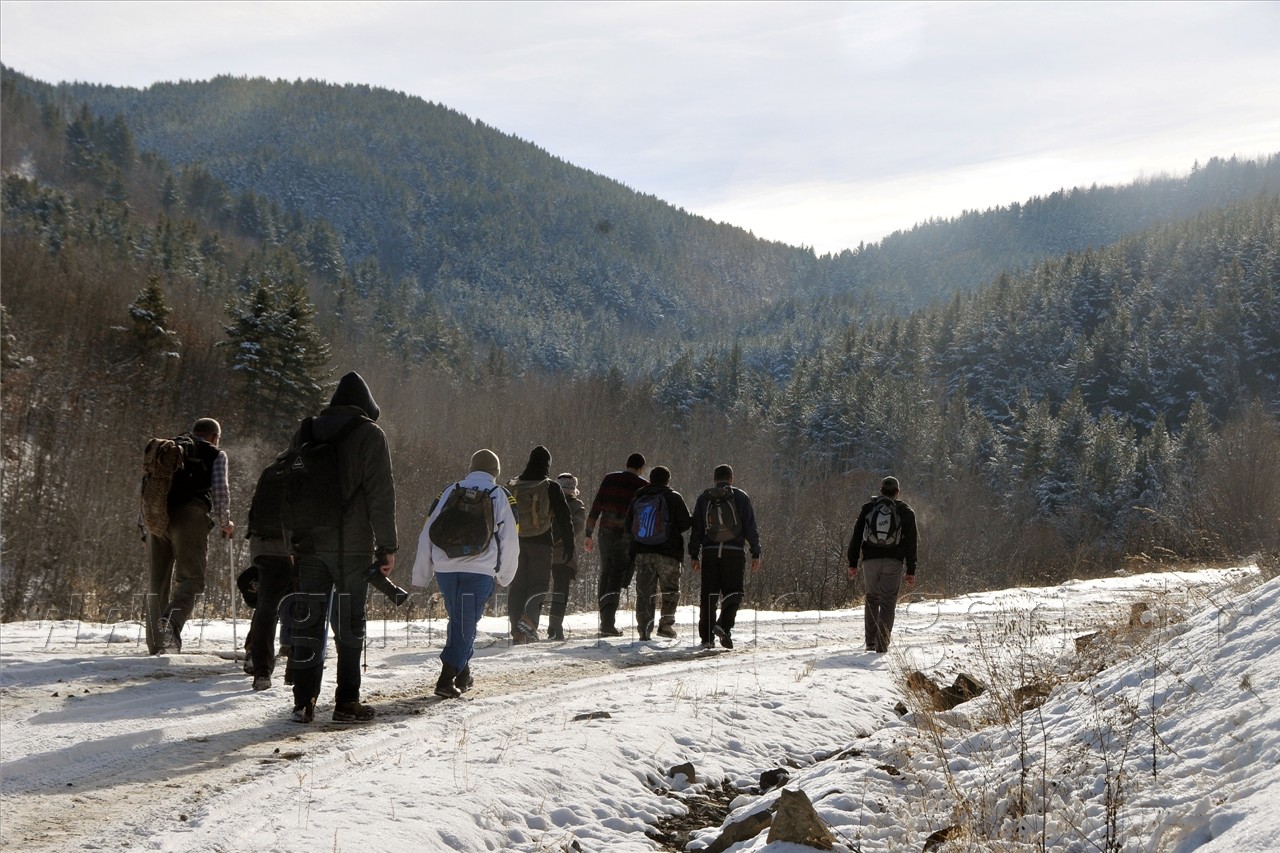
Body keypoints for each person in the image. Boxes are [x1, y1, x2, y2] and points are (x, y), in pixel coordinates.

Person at [284, 372, 398, 724]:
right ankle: (346, 702)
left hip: (310, 546)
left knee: (307, 621)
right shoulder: (369, 434)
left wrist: (292, 540)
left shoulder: (306, 431)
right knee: (350, 624)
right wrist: (387, 546)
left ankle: (303, 701)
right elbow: (380, 493)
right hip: (352, 548)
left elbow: (288, 490)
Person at [412, 449, 519, 698]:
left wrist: (422, 572)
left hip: (446, 567)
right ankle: (445, 678)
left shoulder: (450, 490)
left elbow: (428, 528)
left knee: (459, 621)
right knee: (465, 623)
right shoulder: (499, 494)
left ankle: (463, 673)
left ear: (471, 467)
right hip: (479, 570)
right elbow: (510, 540)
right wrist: (506, 574)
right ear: (496, 472)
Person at [146, 418, 234, 655]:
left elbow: (149, 487)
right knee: (192, 579)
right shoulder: (215, 453)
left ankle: (156, 644)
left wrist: (144, 525)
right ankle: (171, 623)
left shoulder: (168, 449)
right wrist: (226, 523)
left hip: (156, 517)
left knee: (158, 581)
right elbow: (220, 492)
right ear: (215, 436)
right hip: (190, 516)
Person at [505, 446, 575, 642]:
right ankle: (528, 623)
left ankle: (517, 629)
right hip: (542, 543)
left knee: (517, 585)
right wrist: (569, 545)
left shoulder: (512, 485)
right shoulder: (551, 487)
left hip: (515, 543)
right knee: (538, 584)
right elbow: (565, 517)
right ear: (548, 465)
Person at [688, 464, 761, 650]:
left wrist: (694, 554)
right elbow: (750, 526)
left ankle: (706, 638)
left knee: (709, 596)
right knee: (734, 592)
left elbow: (696, 528)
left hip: (710, 552)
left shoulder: (705, 497)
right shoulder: (740, 497)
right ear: (731, 478)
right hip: (734, 552)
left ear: (714, 479)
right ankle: (724, 626)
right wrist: (755, 552)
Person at [847, 476, 919, 654]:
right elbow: (912, 543)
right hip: (893, 562)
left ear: (880, 491)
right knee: (888, 602)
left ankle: (870, 642)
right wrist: (911, 569)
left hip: (870, 561)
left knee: (872, 598)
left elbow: (856, 536)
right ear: (897, 492)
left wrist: (852, 562)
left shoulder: (868, 508)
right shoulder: (905, 511)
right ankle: (882, 645)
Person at [624, 466, 691, 641]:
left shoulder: (638, 498)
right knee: (670, 589)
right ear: (668, 480)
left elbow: (628, 526)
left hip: (643, 552)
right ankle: (666, 626)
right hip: (668, 552)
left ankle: (644, 631)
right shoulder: (673, 497)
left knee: (645, 592)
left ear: (650, 480)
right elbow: (685, 523)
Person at [583, 453, 647, 637]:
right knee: (616, 577)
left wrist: (589, 534)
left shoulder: (610, 479)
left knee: (605, 573)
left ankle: (605, 619)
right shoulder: (642, 486)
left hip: (604, 534)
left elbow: (596, 506)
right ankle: (607, 623)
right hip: (625, 537)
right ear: (641, 468)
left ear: (626, 464)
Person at [547, 472, 587, 641]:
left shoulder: (547, 502)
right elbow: (576, 528)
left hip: (544, 552)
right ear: (573, 489)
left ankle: (530, 624)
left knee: (538, 590)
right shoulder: (577, 506)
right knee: (560, 593)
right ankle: (555, 628)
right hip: (564, 555)